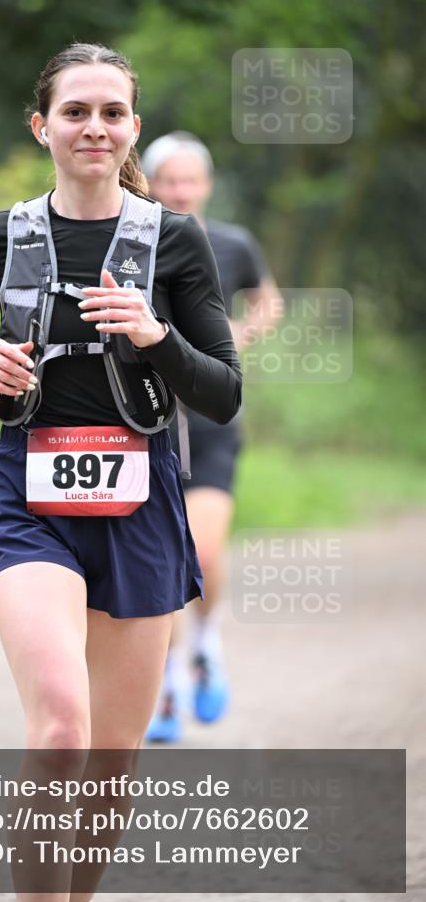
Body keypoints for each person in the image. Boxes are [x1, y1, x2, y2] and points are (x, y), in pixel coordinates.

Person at [0, 47, 241, 902]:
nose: (93, 127)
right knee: (60, 725)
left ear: (131, 127)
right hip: (26, 493)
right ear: (42, 127)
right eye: (75, 112)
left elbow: (220, 392)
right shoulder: (2, 236)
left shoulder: (171, 241)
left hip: (139, 499)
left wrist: (154, 336)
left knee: (110, 757)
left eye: (111, 112)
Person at [141, 132, 282, 743]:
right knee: (160, 563)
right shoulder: (130, 242)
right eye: (168, 180)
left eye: (189, 180)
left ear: (206, 184)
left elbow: (268, 300)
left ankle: (204, 641)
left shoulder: (231, 242)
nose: (179, 191)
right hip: (145, 425)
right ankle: (166, 685)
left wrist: (235, 338)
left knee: (200, 552)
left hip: (211, 423)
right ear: (148, 182)